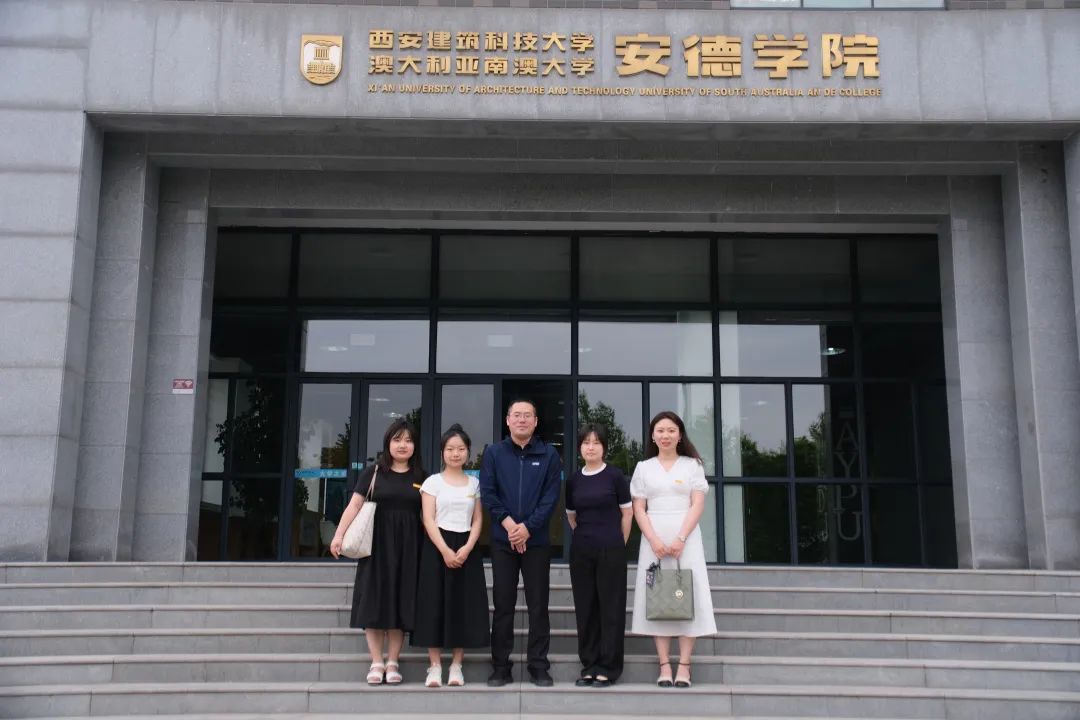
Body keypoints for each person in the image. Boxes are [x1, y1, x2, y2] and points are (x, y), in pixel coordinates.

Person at [331, 418, 424, 686]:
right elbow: (354, 505)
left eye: (408, 440)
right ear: (388, 443)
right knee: (373, 600)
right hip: (376, 546)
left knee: (400, 601)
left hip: (409, 548)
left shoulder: (421, 477)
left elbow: (429, 514)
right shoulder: (373, 472)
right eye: (397, 439)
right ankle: (376, 661)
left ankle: (393, 661)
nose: (403, 445)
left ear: (415, 445)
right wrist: (339, 535)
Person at [629, 411, 717, 689]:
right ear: (653, 436)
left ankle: (685, 665)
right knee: (658, 596)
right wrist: (654, 540)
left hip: (686, 539)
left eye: (671, 430)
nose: (665, 435)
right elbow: (639, 508)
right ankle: (664, 664)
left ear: (680, 435)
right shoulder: (643, 468)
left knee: (687, 595)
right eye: (660, 431)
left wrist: (680, 538)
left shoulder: (692, 466)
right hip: (653, 540)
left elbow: (698, 504)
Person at [479, 398, 562, 687]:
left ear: (535, 422)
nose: (522, 419)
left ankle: (538, 666)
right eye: (517, 415)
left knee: (539, 605)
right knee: (503, 605)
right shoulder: (494, 453)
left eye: (528, 415)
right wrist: (510, 525)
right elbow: (488, 493)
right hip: (503, 541)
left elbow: (550, 498)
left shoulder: (549, 454)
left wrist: (527, 528)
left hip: (536, 541)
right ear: (508, 420)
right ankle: (500, 667)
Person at [412, 424, 489, 688]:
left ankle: (457, 665)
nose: (455, 454)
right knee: (433, 603)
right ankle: (434, 667)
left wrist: (467, 548)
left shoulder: (475, 483)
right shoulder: (432, 482)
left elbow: (478, 519)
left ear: (468, 452)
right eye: (450, 449)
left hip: (467, 547)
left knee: (463, 604)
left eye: (461, 449)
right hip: (437, 547)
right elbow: (428, 519)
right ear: (442, 452)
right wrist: (445, 550)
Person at [565, 423, 632, 688]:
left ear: (604, 447)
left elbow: (627, 514)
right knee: (586, 608)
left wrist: (617, 543)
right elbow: (572, 517)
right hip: (581, 551)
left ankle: (609, 667)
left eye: (596, 442)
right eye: (586, 442)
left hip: (611, 550)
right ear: (580, 447)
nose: (590, 447)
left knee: (611, 608)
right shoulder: (574, 480)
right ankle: (589, 665)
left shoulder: (615, 476)